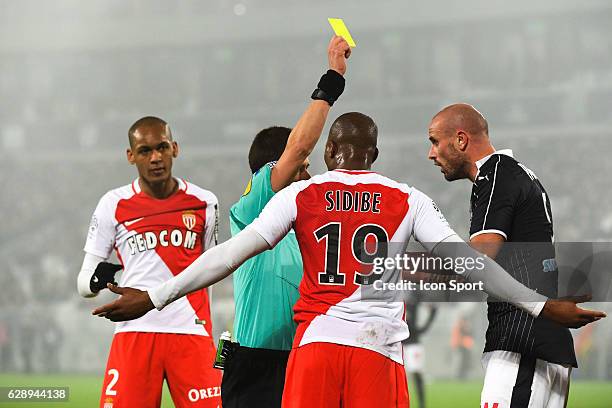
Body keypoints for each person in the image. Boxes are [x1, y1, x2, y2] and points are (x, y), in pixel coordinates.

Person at [93, 112, 604, 408]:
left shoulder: (302, 195)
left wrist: (155, 294)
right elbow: (473, 266)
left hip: (314, 346)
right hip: (376, 349)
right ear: (374, 155)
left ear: (332, 151)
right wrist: (542, 307)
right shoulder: (407, 198)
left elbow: (227, 256)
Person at [426, 103, 604, 407]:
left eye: (434, 141)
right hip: (543, 343)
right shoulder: (519, 174)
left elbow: (479, 261)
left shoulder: (494, 176)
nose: (431, 154)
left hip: (522, 342)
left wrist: (412, 266)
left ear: (460, 139)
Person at [222, 35, 351, 408]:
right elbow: (296, 150)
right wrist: (332, 81)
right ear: (270, 170)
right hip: (256, 359)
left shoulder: (307, 226)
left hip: (303, 357)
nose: (307, 175)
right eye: (302, 168)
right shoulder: (251, 210)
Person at [77, 116, 222, 408]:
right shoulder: (113, 203)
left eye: (162, 147)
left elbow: (211, 271)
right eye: (145, 151)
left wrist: (209, 330)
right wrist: (94, 282)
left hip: (191, 333)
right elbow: (83, 282)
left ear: (175, 149)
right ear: (131, 156)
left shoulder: (205, 202)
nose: (155, 158)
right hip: (135, 331)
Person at [403, 294, 437, 408]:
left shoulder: (414, 298)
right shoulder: (396, 297)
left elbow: (433, 308)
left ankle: (422, 404)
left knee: (416, 374)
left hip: (413, 344)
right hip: (398, 344)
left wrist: (422, 329)